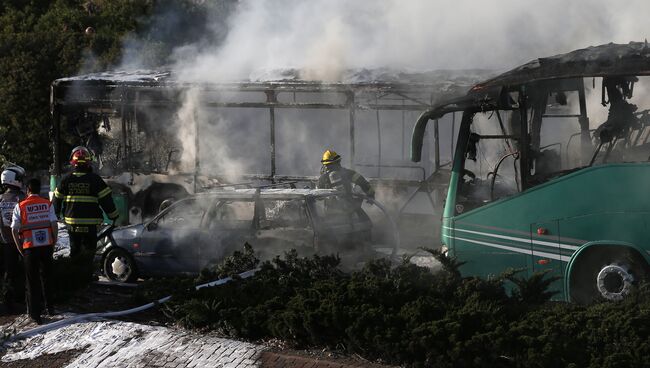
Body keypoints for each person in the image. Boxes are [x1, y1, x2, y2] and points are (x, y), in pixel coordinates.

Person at [53, 146, 118, 259]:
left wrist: (55, 215)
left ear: (73, 163)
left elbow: (56, 200)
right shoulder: (95, 179)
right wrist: (114, 216)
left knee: (75, 251)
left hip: (72, 224)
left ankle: (77, 274)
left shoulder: (66, 179)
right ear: (89, 163)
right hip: (91, 225)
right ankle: (87, 273)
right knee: (89, 252)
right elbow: (106, 201)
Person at [11, 178, 58, 324]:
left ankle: (35, 314)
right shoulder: (47, 203)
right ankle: (50, 308)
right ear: (39, 190)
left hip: (29, 247)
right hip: (46, 246)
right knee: (48, 277)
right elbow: (54, 224)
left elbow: (14, 229)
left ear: (28, 190)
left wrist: (19, 247)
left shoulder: (21, 206)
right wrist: (54, 241)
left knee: (32, 281)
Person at [0, 165, 26, 313]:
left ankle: (8, 300)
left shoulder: (0, 199)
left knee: (9, 272)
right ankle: (18, 300)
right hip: (22, 242)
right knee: (20, 272)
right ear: (14, 180)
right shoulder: (22, 199)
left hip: (5, 242)